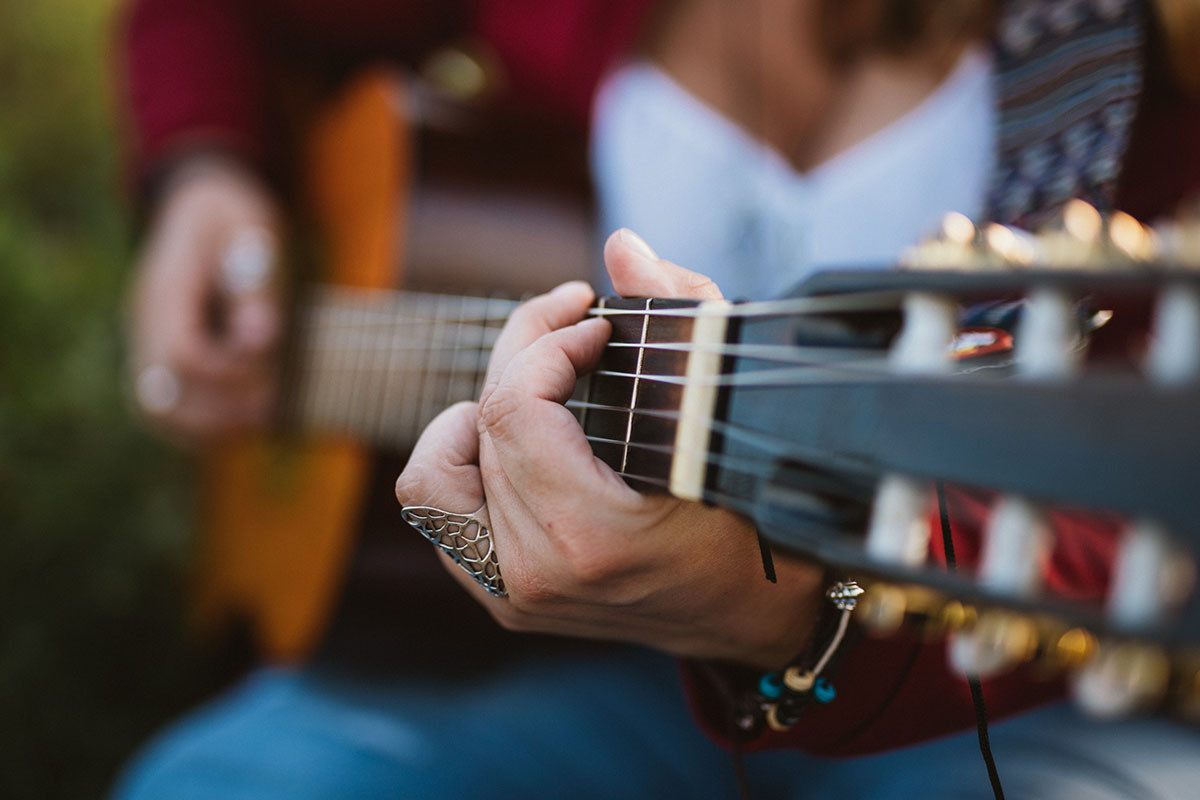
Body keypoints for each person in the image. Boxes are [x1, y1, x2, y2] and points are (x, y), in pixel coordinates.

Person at [115, 0, 1200, 797]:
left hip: (1001, 700)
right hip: (561, 671)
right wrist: (204, 173)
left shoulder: (1143, 58)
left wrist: (778, 613)